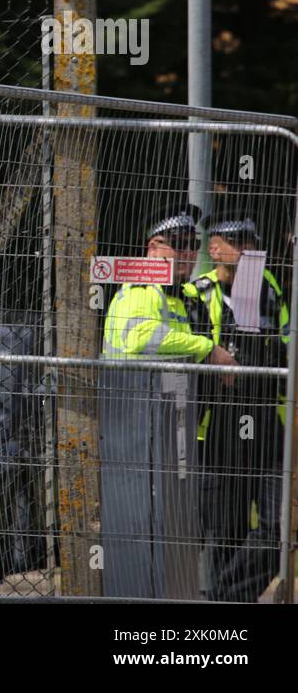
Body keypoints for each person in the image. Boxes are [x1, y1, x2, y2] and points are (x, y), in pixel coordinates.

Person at [100, 202, 237, 598]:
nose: (190, 254)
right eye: (180, 244)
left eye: (194, 245)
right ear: (154, 247)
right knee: (146, 544)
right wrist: (207, 349)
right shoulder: (143, 288)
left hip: (160, 437)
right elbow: (141, 338)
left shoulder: (178, 297)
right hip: (133, 436)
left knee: (173, 541)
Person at [183, 213, 289, 602]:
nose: (248, 250)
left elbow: (284, 341)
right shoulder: (197, 293)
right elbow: (185, 356)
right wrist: (216, 360)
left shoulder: (268, 286)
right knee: (225, 529)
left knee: (278, 526)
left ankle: (225, 597)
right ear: (215, 248)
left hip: (264, 418)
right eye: (238, 242)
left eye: (251, 242)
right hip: (218, 424)